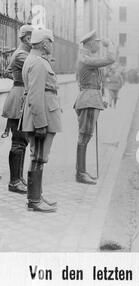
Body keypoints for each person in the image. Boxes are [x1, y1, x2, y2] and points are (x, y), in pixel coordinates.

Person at [21, 28, 62, 212]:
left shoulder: (35, 60)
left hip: (41, 116)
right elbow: (36, 96)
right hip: (41, 117)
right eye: (51, 42)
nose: (52, 45)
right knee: (38, 157)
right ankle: (34, 201)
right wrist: (40, 124)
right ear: (45, 43)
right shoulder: (38, 63)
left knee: (38, 157)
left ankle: (36, 197)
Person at [74, 30, 116, 185]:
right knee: (84, 136)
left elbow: (96, 81)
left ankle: (82, 171)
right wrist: (109, 44)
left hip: (91, 98)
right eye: (97, 42)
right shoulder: (85, 58)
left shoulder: (87, 58)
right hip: (88, 100)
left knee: (86, 136)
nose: (99, 44)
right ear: (90, 43)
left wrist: (101, 97)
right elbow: (111, 58)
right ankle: (80, 173)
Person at [1, 25, 34, 194]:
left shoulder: (21, 54)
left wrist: (15, 75)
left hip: (20, 95)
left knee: (22, 141)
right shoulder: (22, 54)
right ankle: (14, 181)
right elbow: (35, 67)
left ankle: (18, 178)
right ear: (28, 38)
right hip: (19, 99)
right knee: (19, 142)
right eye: (34, 37)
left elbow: (7, 70)